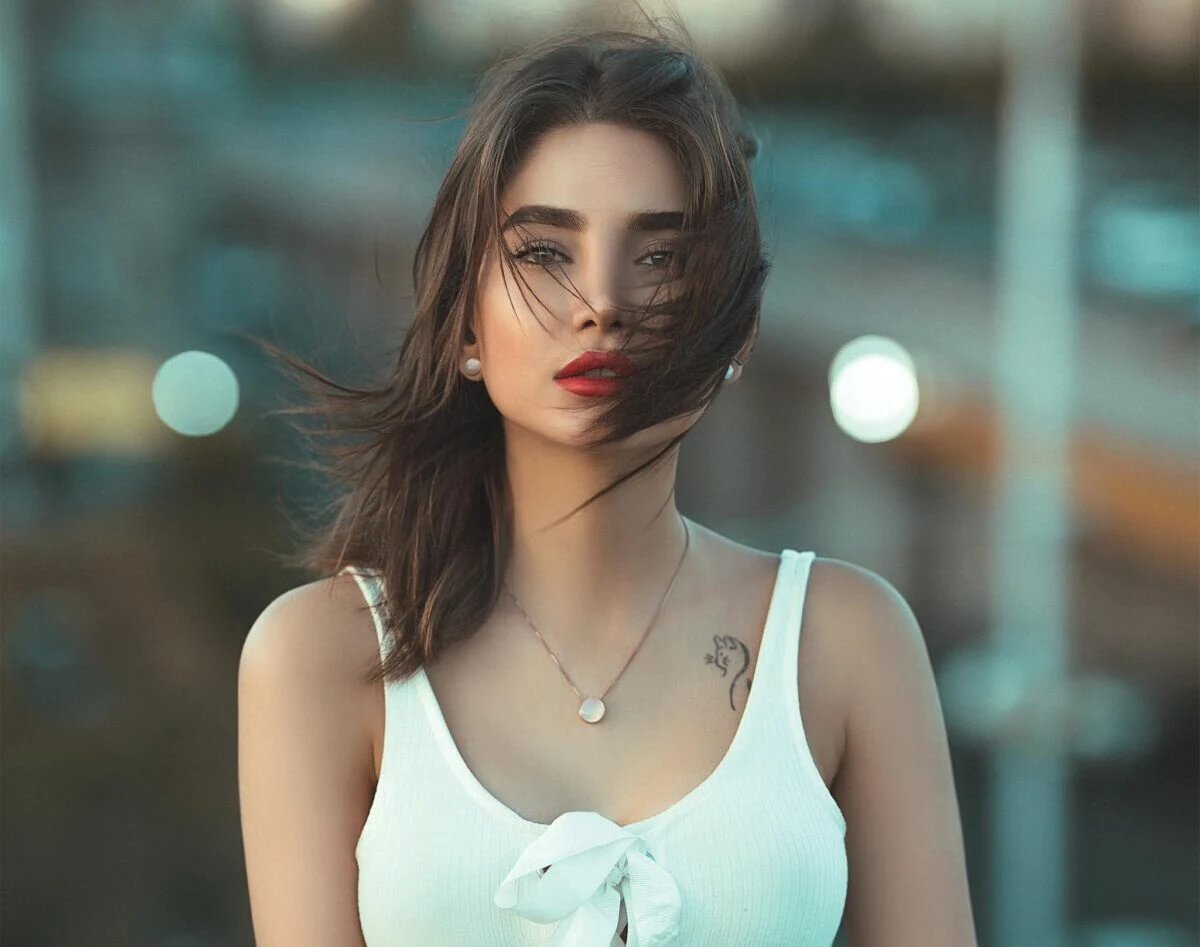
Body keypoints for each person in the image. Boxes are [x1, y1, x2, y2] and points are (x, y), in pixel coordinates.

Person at [237, 23, 978, 947]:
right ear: (465, 321)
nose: (602, 302)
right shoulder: (317, 657)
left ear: (737, 332)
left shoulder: (845, 637)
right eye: (545, 252)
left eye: (662, 257)